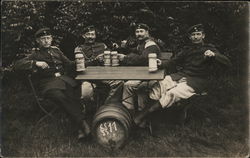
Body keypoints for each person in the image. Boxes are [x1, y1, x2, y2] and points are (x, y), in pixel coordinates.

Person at [133, 24, 232, 125]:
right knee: (158, 86)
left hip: (196, 81)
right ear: (190, 37)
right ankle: (152, 118)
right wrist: (161, 63)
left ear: (203, 36)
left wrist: (214, 55)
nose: (196, 37)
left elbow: (227, 63)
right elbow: (174, 62)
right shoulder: (187, 49)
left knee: (172, 93)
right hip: (181, 76)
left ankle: (141, 117)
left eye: (198, 34)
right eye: (193, 34)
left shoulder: (209, 48)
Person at [14, 28, 91, 140]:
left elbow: (69, 64)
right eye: (43, 38)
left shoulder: (56, 51)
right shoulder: (35, 54)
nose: (46, 41)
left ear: (51, 39)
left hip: (63, 80)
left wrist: (84, 62)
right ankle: (83, 125)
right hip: (47, 84)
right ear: (38, 41)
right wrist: (36, 63)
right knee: (60, 96)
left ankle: (80, 129)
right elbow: (17, 64)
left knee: (73, 94)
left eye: (48, 38)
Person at [118, 23, 161, 118]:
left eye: (141, 31)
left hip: (153, 76)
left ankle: (140, 115)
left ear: (147, 33)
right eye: (137, 32)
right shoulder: (142, 44)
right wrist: (124, 48)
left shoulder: (151, 44)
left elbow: (143, 59)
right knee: (127, 84)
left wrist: (125, 58)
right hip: (144, 74)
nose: (139, 34)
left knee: (132, 86)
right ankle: (129, 113)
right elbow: (134, 51)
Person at [74, 25, 123, 104]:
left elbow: (111, 56)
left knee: (119, 83)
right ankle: (88, 111)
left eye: (93, 34)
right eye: (88, 34)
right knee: (86, 93)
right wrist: (95, 60)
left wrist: (117, 49)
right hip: (87, 76)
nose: (91, 36)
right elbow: (80, 65)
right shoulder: (79, 48)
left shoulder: (102, 45)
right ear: (83, 36)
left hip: (103, 74)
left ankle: (108, 105)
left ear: (95, 36)